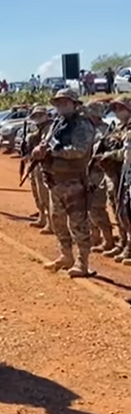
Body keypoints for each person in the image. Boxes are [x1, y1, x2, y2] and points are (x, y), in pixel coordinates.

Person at [33, 88, 96, 277]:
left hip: (74, 181)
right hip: (55, 180)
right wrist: (39, 150)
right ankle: (66, 255)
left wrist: (53, 152)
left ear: (75, 104)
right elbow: (46, 143)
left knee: (78, 224)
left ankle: (82, 263)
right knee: (57, 220)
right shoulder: (57, 123)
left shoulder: (82, 124)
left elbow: (79, 150)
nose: (61, 106)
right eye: (58, 103)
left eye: (65, 102)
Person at [94, 98, 131, 262]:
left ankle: (129, 247)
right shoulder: (117, 128)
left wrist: (109, 155)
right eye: (115, 108)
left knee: (127, 211)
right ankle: (123, 242)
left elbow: (126, 153)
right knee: (118, 209)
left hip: (126, 174)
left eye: (120, 108)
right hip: (114, 174)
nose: (117, 111)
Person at [85, 101, 115, 253]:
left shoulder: (104, 131)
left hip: (98, 173)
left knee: (97, 207)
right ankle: (95, 236)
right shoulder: (87, 128)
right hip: (87, 172)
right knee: (88, 207)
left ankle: (108, 239)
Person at [26, 106, 54, 233]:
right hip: (35, 163)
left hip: (45, 164)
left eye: (40, 115)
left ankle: (50, 223)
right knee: (37, 192)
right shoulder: (37, 128)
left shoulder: (49, 128)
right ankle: (42, 217)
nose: (38, 118)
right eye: (36, 115)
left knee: (44, 193)